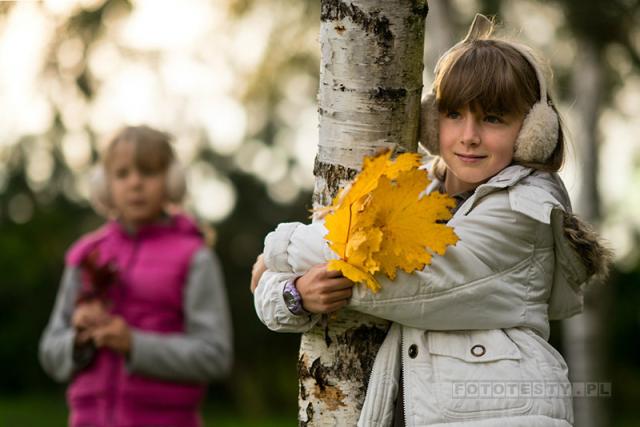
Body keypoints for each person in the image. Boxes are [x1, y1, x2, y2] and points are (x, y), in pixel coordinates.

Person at [251, 14, 611, 427]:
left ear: (532, 131)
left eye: (493, 118)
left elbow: (406, 276)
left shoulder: (524, 209)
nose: (469, 135)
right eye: (454, 114)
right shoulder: (416, 189)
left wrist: (277, 251)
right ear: (430, 120)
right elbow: (340, 253)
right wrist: (291, 293)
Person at [39, 125, 233, 427]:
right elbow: (50, 352)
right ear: (105, 184)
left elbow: (214, 355)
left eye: (149, 172)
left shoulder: (195, 257)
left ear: (171, 181)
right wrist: (80, 340)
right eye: (122, 174)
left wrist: (134, 344)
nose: (135, 184)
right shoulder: (86, 254)